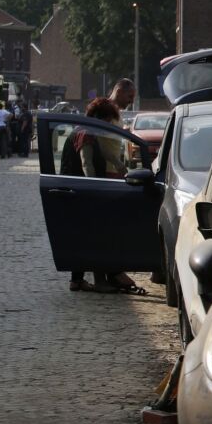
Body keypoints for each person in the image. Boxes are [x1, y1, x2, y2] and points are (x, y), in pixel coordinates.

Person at [64, 98, 145, 294]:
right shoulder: (85, 134)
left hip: (78, 191)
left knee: (83, 236)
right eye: (108, 120)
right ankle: (99, 281)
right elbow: (87, 163)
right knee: (94, 235)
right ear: (99, 118)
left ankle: (77, 280)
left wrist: (121, 167)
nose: (109, 125)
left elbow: (106, 155)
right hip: (82, 193)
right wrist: (94, 188)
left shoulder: (89, 131)